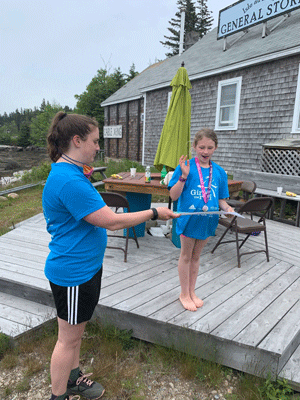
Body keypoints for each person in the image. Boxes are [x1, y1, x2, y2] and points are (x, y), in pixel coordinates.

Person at [43, 111, 179, 400]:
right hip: (74, 273)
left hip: (85, 268)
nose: (97, 148)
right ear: (77, 141)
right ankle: (59, 395)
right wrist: (155, 211)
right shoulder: (69, 180)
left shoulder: (70, 171)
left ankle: (74, 377)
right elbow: (111, 220)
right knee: (67, 340)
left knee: (75, 334)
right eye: (95, 141)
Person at [168, 128, 234, 312]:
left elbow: (221, 199)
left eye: (210, 147)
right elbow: (173, 196)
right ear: (195, 146)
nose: (205, 151)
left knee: (196, 257)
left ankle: (191, 291)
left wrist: (228, 209)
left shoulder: (219, 172)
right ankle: (183, 294)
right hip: (189, 220)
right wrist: (183, 176)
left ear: (216, 148)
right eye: (202, 147)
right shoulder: (186, 166)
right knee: (186, 256)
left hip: (208, 221)